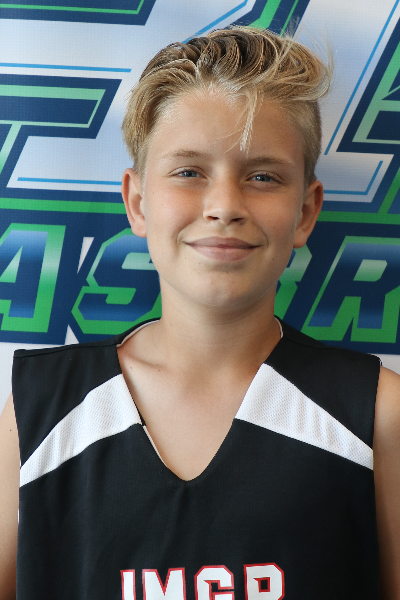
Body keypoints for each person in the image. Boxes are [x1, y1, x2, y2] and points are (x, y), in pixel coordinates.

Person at [0, 26, 399, 600]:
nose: (225, 207)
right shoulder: (42, 409)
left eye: (262, 176)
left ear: (306, 212)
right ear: (138, 201)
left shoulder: (377, 414)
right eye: (189, 172)